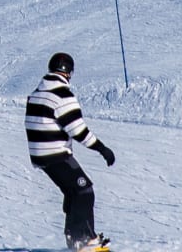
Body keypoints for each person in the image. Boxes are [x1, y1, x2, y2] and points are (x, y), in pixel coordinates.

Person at [25, 52, 115, 252]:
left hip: (40, 154)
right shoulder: (62, 94)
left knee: (73, 191)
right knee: (84, 190)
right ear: (69, 72)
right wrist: (102, 149)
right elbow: (78, 130)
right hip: (55, 153)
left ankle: (74, 239)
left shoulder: (37, 92)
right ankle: (85, 240)